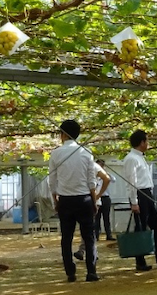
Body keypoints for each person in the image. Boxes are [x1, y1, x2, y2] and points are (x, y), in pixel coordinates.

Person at [48, 120, 100, 282]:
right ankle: (91, 272)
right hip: (84, 199)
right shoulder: (86, 152)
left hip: (65, 200)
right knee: (89, 236)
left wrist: (55, 200)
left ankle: (70, 271)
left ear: (62, 134)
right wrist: (94, 200)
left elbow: (52, 181)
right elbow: (91, 181)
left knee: (66, 237)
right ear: (77, 134)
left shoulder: (56, 153)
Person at [123, 129, 157, 272]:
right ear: (141, 142)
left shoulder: (140, 157)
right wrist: (134, 202)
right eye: (147, 140)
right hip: (140, 195)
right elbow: (131, 181)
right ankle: (140, 261)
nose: (148, 143)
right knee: (140, 228)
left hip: (147, 194)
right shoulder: (131, 158)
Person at [74, 160, 111, 261]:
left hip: (91, 201)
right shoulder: (89, 171)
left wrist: (98, 196)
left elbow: (109, 179)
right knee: (90, 227)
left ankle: (84, 250)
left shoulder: (92, 171)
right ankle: (92, 252)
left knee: (89, 227)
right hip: (89, 200)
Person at [95, 159, 115, 241]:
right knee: (97, 218)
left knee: (106, 217)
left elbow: (114, 179)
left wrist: (105, 172)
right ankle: (96, 235)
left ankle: (108, 235)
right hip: (97, 198)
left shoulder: (106, 175)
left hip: (105, 198)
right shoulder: (94, 175)